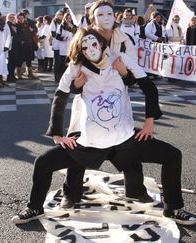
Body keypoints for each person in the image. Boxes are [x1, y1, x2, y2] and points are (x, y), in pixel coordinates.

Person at [11, 28, 196, 226]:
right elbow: (60, 96)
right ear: (80, 51)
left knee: (172, 155)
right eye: (85, 47)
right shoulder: (76, 67)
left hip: (124, 139)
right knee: (42, 162)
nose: (91, 49)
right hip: (90, 141)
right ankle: (35, 207)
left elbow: (149, 87)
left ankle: (173, 208)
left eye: (94, 44)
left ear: (102, 43)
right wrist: (57, 134)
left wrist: (149, 122)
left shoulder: (121, 59)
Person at [58, 0, 153, 209]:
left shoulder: (125, 40)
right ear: (93, 18)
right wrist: (75, 86)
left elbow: (133, 76)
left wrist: (124, 73)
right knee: (79, 142)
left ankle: (136, 190)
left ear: (114, 15)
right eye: (100, 15)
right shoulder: (84, 36)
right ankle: (71, 193)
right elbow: (72, 73)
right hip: (88, 101)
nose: (105, 18)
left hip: (117, 100)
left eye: (109, 14)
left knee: (127, 142)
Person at [55, 13, 76, 82]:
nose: (68, 20)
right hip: (63, 47)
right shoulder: (61, 26)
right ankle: (59, 78)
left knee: (71, 64)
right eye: (67, 18)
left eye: (70, 18)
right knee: (62, 64)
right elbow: (57, 36)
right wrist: (62, 38)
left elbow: (77, 34)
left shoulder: (73, 26)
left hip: (71, 47)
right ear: (64, 18)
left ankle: (70, 79)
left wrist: (72, 27)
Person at [16, 12, 37, 79]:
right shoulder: (16, 25)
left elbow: (35, 30)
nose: (20, 19)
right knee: (20, 60)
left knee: (29, 59)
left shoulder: (28, 24)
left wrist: (32, 29)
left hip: (29, 44)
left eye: (22, 18)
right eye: (19, 18)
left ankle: (30, 74)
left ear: (24, 18)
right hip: (20, 46)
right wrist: (20, 41)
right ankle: (18, 74)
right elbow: (16, 36)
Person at [50, 10, 64, 82]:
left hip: (65, 46)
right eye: (58, 14)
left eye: (61, 14)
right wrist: (61, 38)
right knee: (57, 62)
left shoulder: (66, 22)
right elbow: (53, 33)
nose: (59, 15)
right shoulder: (54, 22)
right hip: (57, 46)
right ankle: (57, 78)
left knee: (63, 63)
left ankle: (63, 77)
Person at [6, 13, 19, 82]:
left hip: (15, 46)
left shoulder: (14, 25)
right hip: (10, 46)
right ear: (7, 18)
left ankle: (12, 75)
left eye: (13, 17)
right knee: (10, 62)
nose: (12, 18)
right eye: (10, 17)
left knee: (14, 62)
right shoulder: (7, 25)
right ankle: (9, 76)